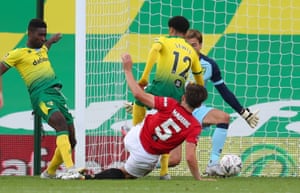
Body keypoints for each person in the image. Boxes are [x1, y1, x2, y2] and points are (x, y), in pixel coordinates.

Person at [62, 53, 208, 180]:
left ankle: (130, 126)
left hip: (135, 136)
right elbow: (189, 157)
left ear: (183, 98)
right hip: (146, 155)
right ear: (199, 105)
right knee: (126, 174)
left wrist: (127, 70)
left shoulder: (170, 103)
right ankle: (88, 177)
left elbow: (138, 94)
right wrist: (198, 178)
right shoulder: (195, 126)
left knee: (150, 110)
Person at [165, 29, 259, 176]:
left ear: (201, 45)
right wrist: (140, 104)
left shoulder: (209, 65)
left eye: (194, 45)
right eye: (188, 45)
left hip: (197, 110)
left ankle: (213, 164)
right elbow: (162, 88)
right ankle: (143, 163)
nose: (191, 48)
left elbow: (224, 90)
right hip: (176, 112)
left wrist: (243, 112)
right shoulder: (175, 64)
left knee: (224, 118)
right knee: (173, 160)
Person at [0, 18, 80, 179]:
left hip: (57, 95)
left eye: (45, 35)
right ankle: (71, 169)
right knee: (60, 124)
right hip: (41, 95)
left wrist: (52, 40)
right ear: (29, 34)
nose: (43, 38)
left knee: (72, 140)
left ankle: (49, 173)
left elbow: (46, 46)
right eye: (40, 35)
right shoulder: (17, 54)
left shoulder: (43, 49)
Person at [128, 15, 204, 179]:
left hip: (161, 86)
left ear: (171, 29)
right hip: (177, 94)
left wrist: (144, 77)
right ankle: (164, 171)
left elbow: (154, 51)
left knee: (138, 101)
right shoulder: (191, 51)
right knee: (167, 125)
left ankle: (136, 134)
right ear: (185, 32)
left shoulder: (163, 40)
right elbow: (198, 75)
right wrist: (200, 91)